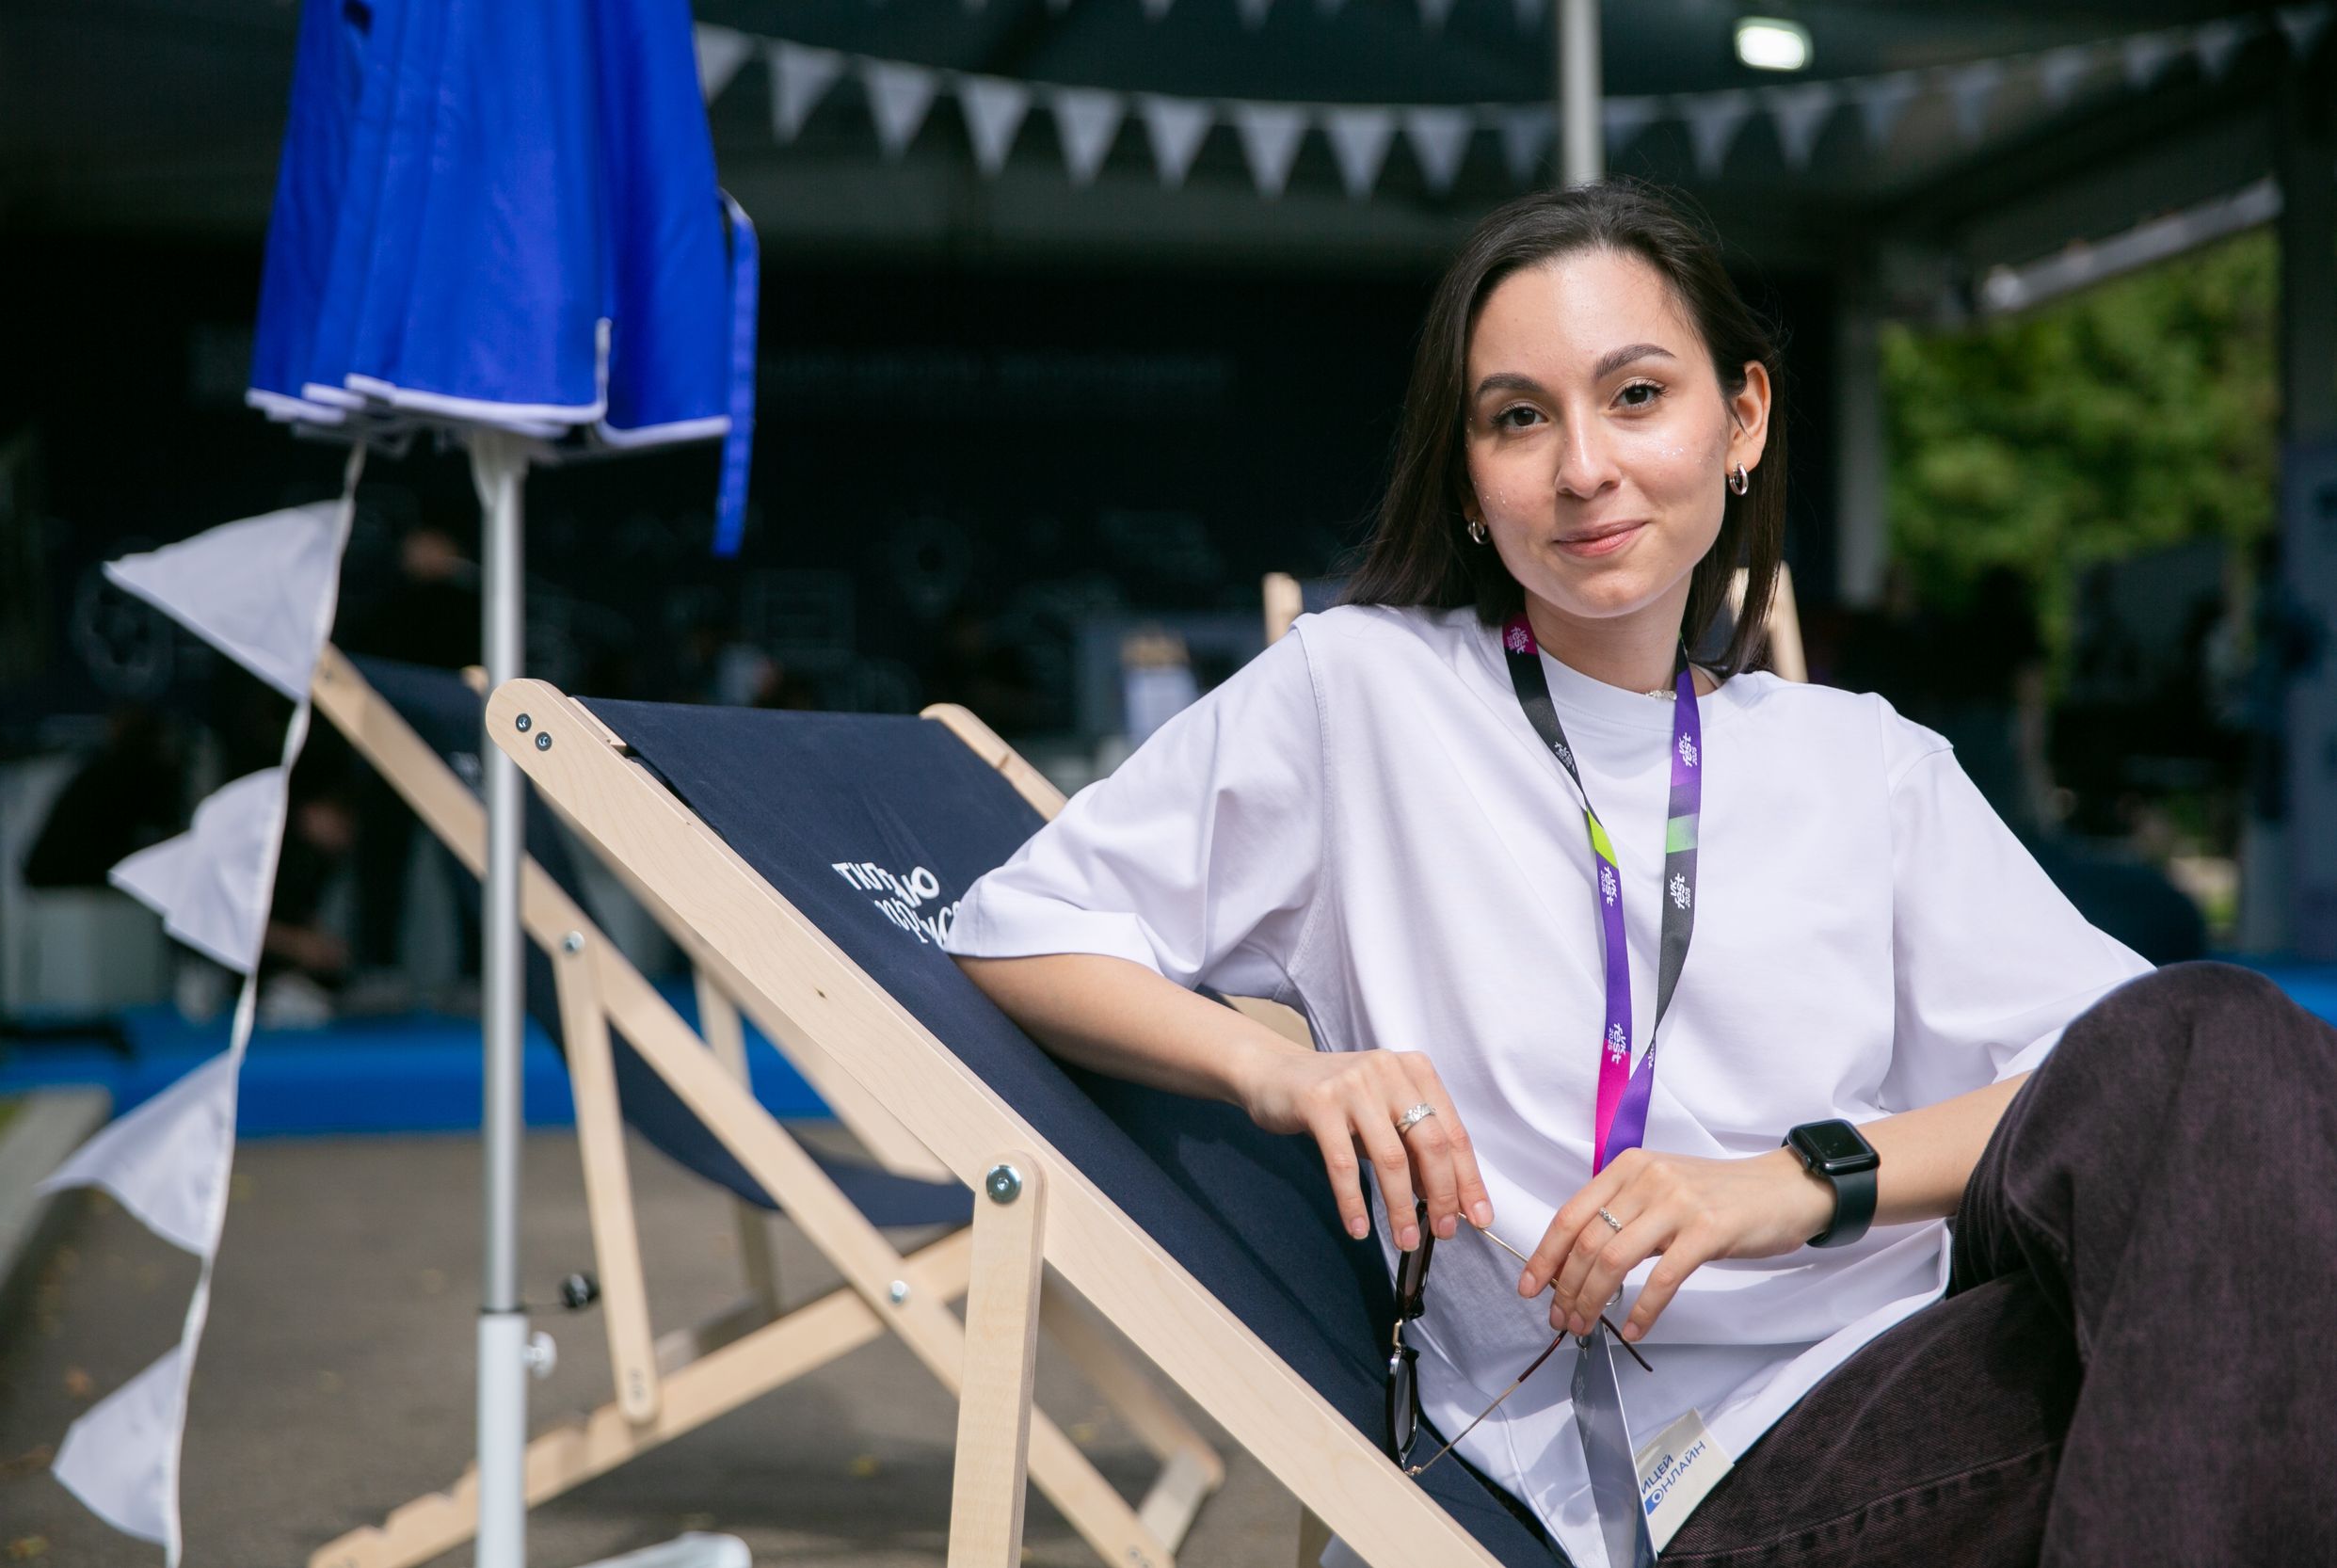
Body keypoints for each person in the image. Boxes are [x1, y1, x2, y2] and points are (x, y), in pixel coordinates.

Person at [942, 180, 2337, 1567]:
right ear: (1467, 478)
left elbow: (2117, 1082)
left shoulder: (1863, 760)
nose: (1583, 467)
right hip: (1693, 1469)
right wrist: (1286, 1072)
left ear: (1742, 420)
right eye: (1518, 417)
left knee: (2225, 1041)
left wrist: (1791, 1183)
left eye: (1635, 395)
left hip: (1930, 1354)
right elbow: (1019, 924)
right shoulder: (1364, 695)